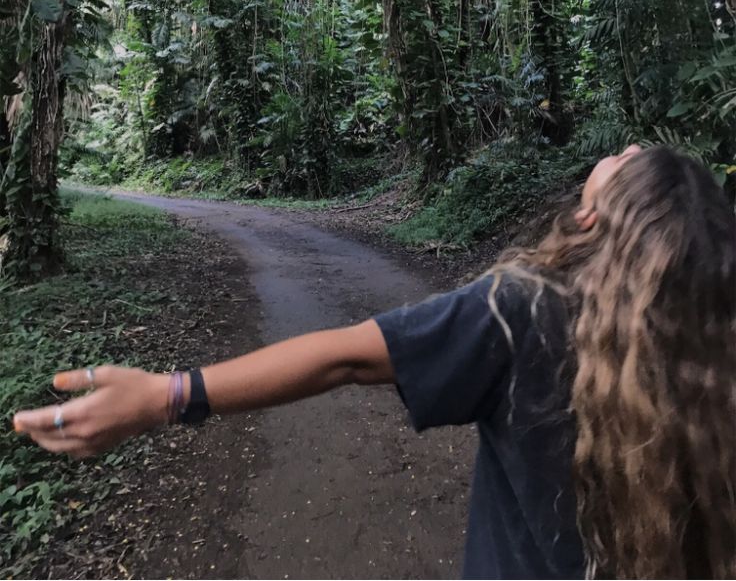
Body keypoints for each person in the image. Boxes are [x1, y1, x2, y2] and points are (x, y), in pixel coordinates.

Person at [13, 145, 736, 579]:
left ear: (592, 220)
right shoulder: (717, 353)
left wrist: (167, 395)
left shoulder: (523, 314)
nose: (624, 150)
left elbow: (346, 359)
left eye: (629, 163)